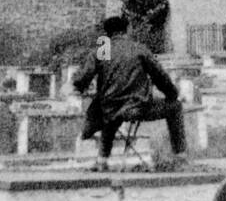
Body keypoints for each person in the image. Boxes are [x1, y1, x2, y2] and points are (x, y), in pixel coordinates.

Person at [74, 13, 187, 170]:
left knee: (108, 111)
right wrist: (172, 94)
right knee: (175, 107)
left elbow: (81, 79)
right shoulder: (138, 49)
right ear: (126, 30)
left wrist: (82, 89)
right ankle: (180, 158)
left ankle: (101, 161)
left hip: (109, 110)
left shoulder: (102, 50)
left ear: (107, 34)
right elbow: (160, 77)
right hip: (136, 108)